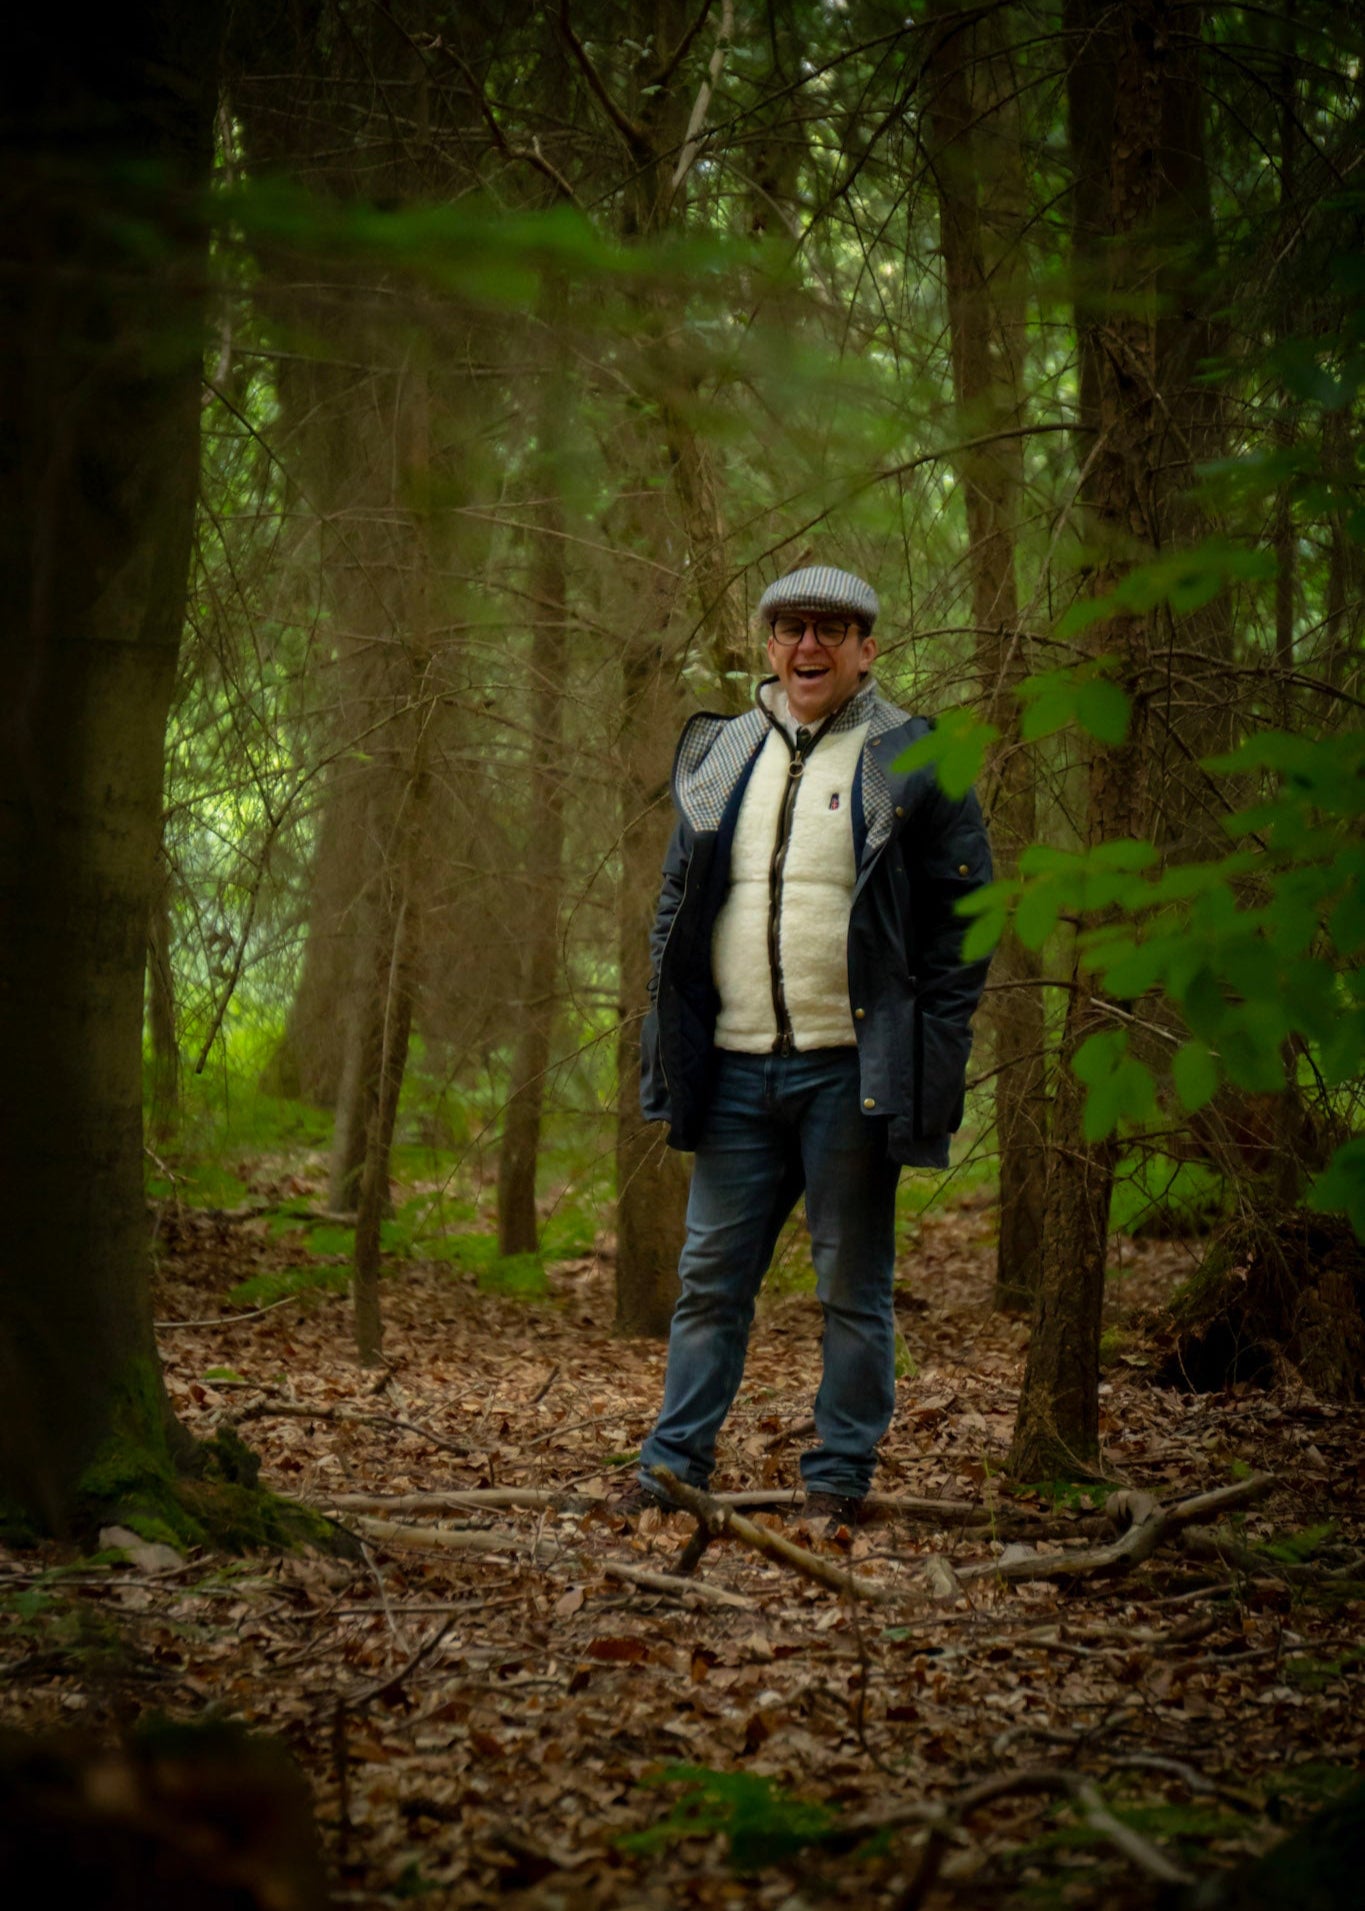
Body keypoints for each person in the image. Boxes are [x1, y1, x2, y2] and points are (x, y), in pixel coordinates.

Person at [632, 563, 993, 1531]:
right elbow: (676, 905)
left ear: (867, 650)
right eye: (791, 627)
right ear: (768, 645)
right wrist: (668, 1041)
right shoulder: (720, 752)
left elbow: (967, 923)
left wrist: (933, 1050)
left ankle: (837, 1477)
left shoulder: (915, 755)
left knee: (852, 1290)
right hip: (736, 1065)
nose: (809, 646)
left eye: (832, 630)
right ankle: (672, 1467)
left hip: (851, 1069)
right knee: (709, 1284)